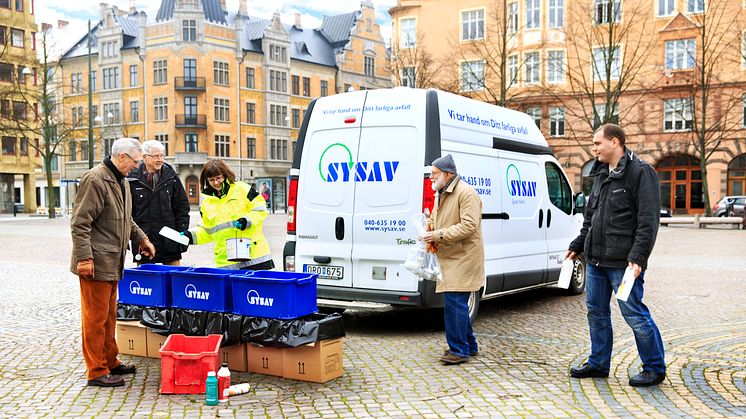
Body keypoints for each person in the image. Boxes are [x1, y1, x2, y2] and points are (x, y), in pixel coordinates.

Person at [566, 123, 666, 387]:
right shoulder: (599, 173)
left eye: (597, 143)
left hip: (624, 265)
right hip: (596, 262)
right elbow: (591, 215)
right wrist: (578, 244)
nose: (594, 148)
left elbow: (648, 221)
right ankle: (599, 363)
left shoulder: (641, 173)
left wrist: (638, 259)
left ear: (615, 142)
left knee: (634, 313)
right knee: (596, 313)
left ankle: (654, 367)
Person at [70, 138, 156, 387]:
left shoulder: (121, 181)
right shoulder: (95, 179)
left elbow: (126, 219)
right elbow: (79, 224)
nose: (136, 167)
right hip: (95, 263)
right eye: (135, 162)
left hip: (111, 261)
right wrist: (84, 259)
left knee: (108, 317)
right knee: (95, 319)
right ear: (122, 157)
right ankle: (96, 371)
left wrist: (142, 239)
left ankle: (110, 360)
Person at [421, 154, 484, 365]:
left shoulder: (466, 193)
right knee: (457, 304)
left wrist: (437, 235)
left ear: (448, 174)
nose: (430, 178)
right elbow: (437, 219)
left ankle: (458, 350)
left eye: (434, 174)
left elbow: (469, 226)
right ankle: (468, 346)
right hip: (452, 255)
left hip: (464, 257)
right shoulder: (443, 192)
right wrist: (428, 228)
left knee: (454, 303)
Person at [182, 160, 273, 270]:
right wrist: (190, 236)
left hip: (255, 257)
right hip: (226, 263)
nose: (216, 183)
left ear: (225, 175)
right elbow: (207, 231)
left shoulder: (241, 188)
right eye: (211, 180)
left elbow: (260, 209)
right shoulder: (207, 204)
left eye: (218, 178)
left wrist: (246, 220)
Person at [127, 140, 190, 265]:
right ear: (144, 157)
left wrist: (182, 233)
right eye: (156, 156)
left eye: (162, 156)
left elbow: (182, 207)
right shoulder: (131, 179)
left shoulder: (172, 177)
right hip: (143, 239)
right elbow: (127, 212)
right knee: (146, 281)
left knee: (173, 278)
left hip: (170, 239)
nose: (160, 159)